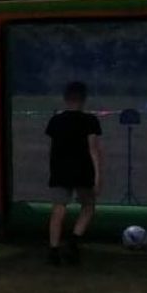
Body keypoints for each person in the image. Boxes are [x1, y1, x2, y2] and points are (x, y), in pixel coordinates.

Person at [45, 81, 102, 265]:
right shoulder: (90, 121)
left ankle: (54, 249)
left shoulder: (56, 120)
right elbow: (93, 149)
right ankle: (74, 240)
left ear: (65, 98)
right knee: (88, 206)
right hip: (83, 169)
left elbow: (52, 147)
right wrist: (97, 174)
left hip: (60, 169)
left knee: (58, 208)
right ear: (84, 99)